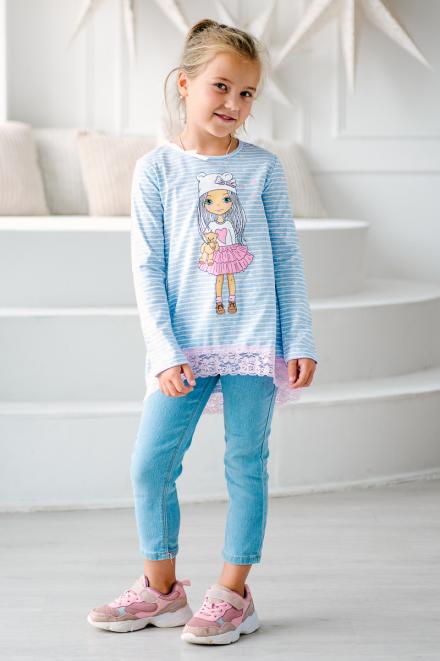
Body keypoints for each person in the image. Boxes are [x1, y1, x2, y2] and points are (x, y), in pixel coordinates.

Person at [87, 17, 318, 645]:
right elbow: (147, 267)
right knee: (150, 465)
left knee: (246, 462)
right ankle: (161, 589)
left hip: (255, 344)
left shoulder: (263, 169)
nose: (233, 103)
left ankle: (233, 593)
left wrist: (299, 339)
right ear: (184, 84)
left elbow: (287, 257)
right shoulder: (155, 170)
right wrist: (164, 351)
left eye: (246, 93)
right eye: (221, 87)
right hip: (183, 347)